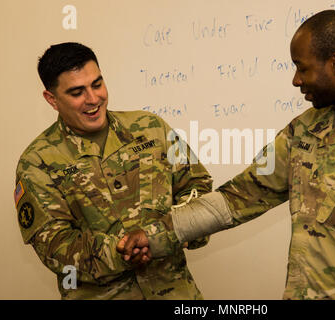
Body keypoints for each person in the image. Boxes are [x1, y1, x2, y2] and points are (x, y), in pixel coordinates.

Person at [118, 10, 335, 299]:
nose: (296, 80)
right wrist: (153, 234)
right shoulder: (304, 131)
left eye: (302, 68)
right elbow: (237, 198)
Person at [14, 42, 212, 299]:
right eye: (77, 92)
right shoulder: (37, 162)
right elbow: (54, 246)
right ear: (52, 99)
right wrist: (124, 252)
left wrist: (170, 233)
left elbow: (198, 187)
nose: (93, 99)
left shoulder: (150, 128)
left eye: (97, 84)